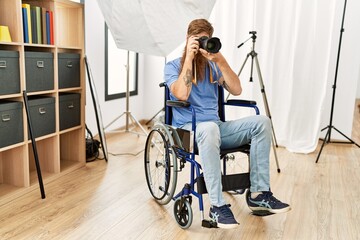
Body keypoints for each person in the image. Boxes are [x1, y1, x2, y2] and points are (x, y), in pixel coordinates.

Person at [164, 19, 290, 229]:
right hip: (186, 132)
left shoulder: (213, 66)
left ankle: (259, 193)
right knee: (210, 129)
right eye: (198, 40)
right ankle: (217, 207)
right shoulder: (173, 66)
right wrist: (189, 56)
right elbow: (182, 94)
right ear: (188, 39)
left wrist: (221, 61)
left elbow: (237, 89)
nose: (203, 44)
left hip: (214, 128)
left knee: (262, 122)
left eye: (206, 39)